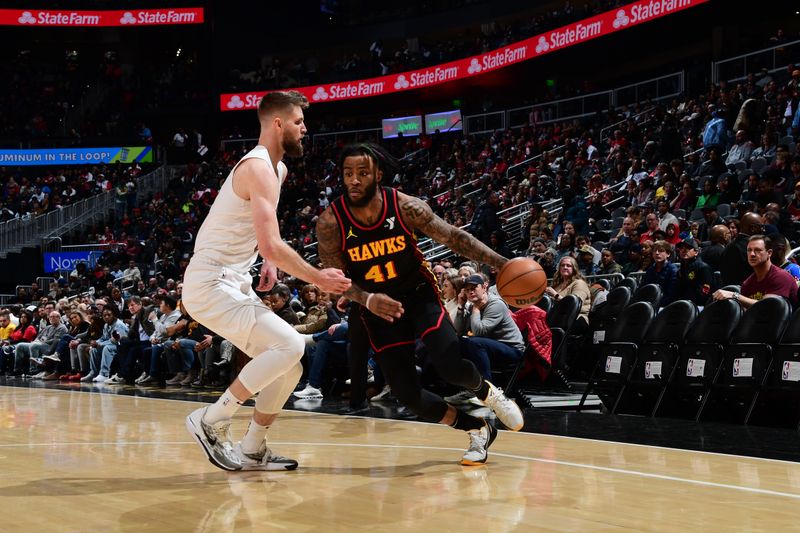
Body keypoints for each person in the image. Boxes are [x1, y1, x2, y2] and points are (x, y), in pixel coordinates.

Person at [316, 142, 523, 466]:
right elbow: (334, 278)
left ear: (378, 175)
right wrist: (367, 298)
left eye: (362, 173)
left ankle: (489, 394)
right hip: (378, 307)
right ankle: (477, 428)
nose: (354, 180)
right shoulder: (331, 223)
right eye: (347, 174)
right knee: (408, 395)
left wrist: (501, 261)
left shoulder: (405, 206)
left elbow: (455, 237)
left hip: (417, 294)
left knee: (448, 362)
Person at [183, 91, 351, 472]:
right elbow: (272, 243)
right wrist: (317, 276)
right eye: (298, 122)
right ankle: (211, 420)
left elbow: (262, 236)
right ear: (278, 124)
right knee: (290, 344)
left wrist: (268, 263)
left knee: (288, 365)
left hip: (233, 280)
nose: (305, 128)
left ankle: (253, 447)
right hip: (209, 282)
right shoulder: (257, 166)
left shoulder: (278, 169)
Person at [713, 235, 798, 308]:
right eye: (749, 250)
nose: (752, 254)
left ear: (769, 253)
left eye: (757, 250)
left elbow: (768, 305)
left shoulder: (781, 276)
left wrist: (734, 296)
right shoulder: (748, 283)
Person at [674, 238, 715, 306]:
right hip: (683, 303)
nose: (683, 250)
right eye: (681, 248)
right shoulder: (683, 265)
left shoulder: (703, 268)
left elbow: (704, 294)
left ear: (696, 252)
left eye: (688, 248)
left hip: (699, 305)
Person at [642, 240, 679, 307]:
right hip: (649, 304)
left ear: (668, 254)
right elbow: (644, 289)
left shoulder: (673, 270)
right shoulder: (650, 270)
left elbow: (671, 295)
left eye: (660, 251)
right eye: (654, 251)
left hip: (664, 306)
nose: (657, 253)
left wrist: (654, 305)